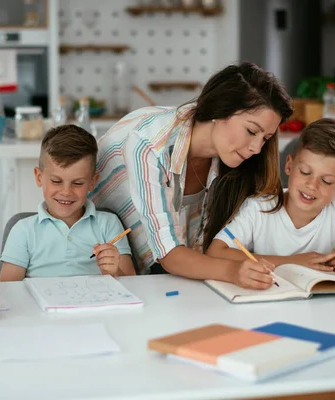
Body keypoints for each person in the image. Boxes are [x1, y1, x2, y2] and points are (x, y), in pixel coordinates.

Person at [89, 61, 293, 287]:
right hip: (103, 266)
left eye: (265, 138)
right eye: (251, 131)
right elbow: (169, 253)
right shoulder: (149, 145)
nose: (257, 148)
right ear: (220, 109)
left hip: (170, 276)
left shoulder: (233, 158)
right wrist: (234, 271)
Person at [207, 118, 335, 282]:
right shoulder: (258, 208)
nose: (312, 186)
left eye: (327, 181)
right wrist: (291, 262)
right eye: (305, 172)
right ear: (289, 166)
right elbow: (216, 252)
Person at [0, 125, 134, 281]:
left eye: (77, 183)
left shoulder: (109, 223)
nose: (66, 192)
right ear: (38, 177)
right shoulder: (23, 231)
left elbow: (133, 284)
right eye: (56, 181)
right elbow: (8, 292)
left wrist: (115, 271)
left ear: (92, 182)